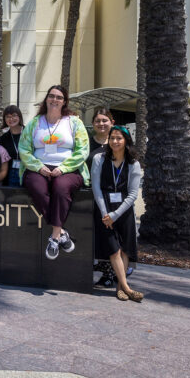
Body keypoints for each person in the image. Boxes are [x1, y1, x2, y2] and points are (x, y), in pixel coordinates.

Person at [18, 85, 90, 260]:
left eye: (59, 97)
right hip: (39, 167)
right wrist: (38, 167)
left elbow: (83, 150)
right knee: (36, 187)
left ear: (64, 101)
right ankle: (61, 233)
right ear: (46, 99)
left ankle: (54, 237)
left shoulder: (74, 122)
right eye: (51, 96)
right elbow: (24, 149)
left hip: (68, 169)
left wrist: (63, 168)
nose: (54, 100)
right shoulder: (35, 123)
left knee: (60, 188)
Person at [91, 126, 143, 302]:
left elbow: (133, 194)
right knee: (114, 250)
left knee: (125, 251)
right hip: (104, 210)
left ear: (126, 141)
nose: (114, 141)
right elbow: (96, 187)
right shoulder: (99, 158)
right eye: (112, 138)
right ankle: (127, 288)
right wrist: (106, 213)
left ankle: (120, 288)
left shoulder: (133, 164)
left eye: (119, 138)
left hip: (124, 211)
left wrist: (116, 214)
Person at [87, 107, 117, 286]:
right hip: (90, 194)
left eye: (105, 120)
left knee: (110, 233)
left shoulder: (117, 142)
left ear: (112, 123)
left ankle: (110, 273)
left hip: (111, 195)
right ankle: (94, 266)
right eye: (98, 121)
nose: (101, 123)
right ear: (93, 124)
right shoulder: (87, 144)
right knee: (92, 232)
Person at [0, 105, 24, 186]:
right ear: (4, 120)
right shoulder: (2, 139)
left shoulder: (29, 133)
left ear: (19, 116)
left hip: (29, 171)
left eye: (14, 115)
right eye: (8, 117)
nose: (11, 119)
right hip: (10, 174)